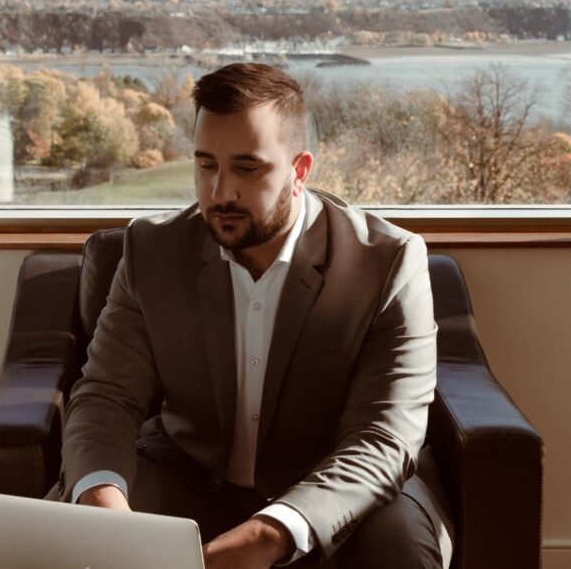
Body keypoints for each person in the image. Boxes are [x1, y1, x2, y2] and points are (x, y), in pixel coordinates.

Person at [58, 62, 446, 568]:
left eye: (247, 168)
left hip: (333, 486)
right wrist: (100, 499)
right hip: (189, 474)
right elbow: (107, 394)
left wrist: (271, 532)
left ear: (299, 170)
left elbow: (383, 437)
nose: (221, 193)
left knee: (400, 550)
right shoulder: (152, 251)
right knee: (60, 535)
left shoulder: (387, 262)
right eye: (206, 165)